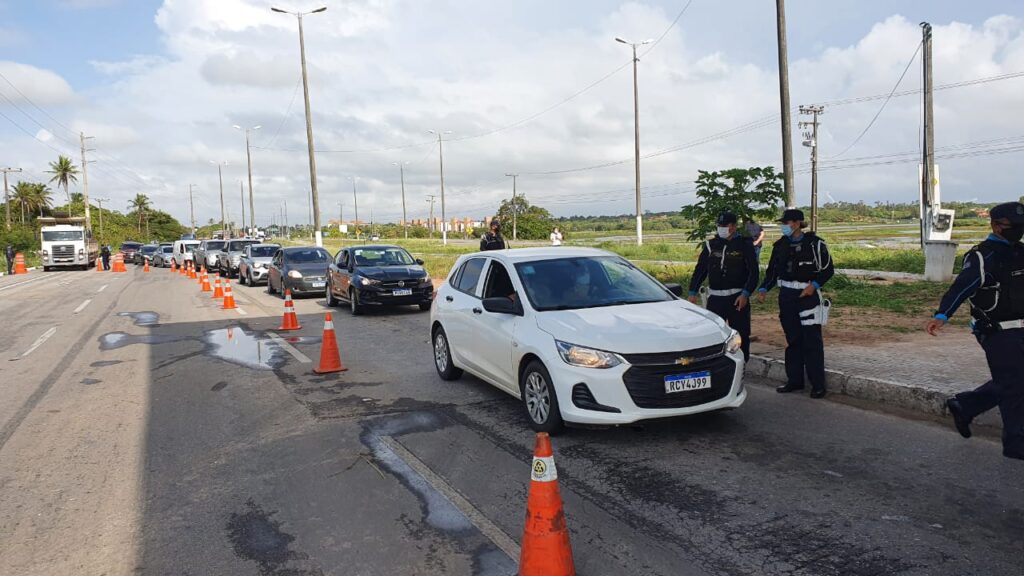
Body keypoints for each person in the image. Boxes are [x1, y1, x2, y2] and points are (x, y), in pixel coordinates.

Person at [926, 202, 1024, 461]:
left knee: (1012, 379)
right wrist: (941, 315)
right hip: (996, 331)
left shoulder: (1021, 252)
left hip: (1021, 328)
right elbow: (960, 288)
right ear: (995, 226)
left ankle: (965, 405)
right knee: (1014, 385)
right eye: (1013, 228)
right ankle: (1016, 443)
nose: (1019, 232)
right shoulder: (982, 256)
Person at [756, 209, 834, 398]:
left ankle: (817, 384)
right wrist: (764, 288)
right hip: (787, 296)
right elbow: (772, 272)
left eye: (787, 222)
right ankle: (794, 380)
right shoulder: (780, 245)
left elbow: (828, 269)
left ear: (798, 223)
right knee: (793, 339)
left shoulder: (815, 244)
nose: (784, 226)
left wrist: (814, 286)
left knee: (812, 341)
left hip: (808, 297)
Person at [687, 212, 759, 360]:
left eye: (724, 225)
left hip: (737, 298)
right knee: (715, 333)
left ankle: (741, 365)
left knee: (741, 334)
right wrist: (692, 292)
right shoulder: (711, 245)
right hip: (715, 298)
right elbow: (700, 270)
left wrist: (745, 294)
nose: (721, 228)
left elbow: (754, 272)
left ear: (733, 227)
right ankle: (718, 364)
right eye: (719, 225)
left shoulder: (744, 244)